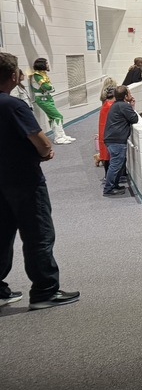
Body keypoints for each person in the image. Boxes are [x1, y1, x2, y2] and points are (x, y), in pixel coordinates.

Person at [0, 51, 79, 309]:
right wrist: (46, 152)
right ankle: (44, 291)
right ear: (13, 76)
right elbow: (42, 142)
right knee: (38, 235)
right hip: (24, 181)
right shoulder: (13, 106)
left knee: (1, 237)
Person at [102, 85, 138, 196]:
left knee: (117, 163)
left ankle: (114, 185)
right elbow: (134, 119)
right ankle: (108, 188)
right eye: (129, 93)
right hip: (116, 140)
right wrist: (132, 106)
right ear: (125, 96)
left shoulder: (116, 105)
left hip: (112, 139)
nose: (131, 95)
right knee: (116, 164)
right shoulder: (123, 106)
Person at [30, 58, 74, 144]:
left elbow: (49, 87)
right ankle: (58, 138)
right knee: (57, 116)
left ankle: (61, 135)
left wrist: (50, 88)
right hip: (42, 98)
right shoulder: (37, 75)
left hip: (47, 97)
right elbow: (47, 87)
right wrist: (51, 88)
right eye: (46, 63)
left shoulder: (43, 74)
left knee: (54, 117)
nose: (48, 65)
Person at [97, 81, 116, 173]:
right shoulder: (111, 106)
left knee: (106, 154)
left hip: (104, 132)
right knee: (109, 156)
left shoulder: (105, 104)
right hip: (109, 133)